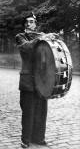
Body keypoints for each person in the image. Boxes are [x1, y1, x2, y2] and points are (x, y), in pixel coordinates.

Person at [15, 12, 48, 148]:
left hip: (42, 79)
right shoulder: (20, 36)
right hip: (27, 80)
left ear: (35, 24)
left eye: (32, 22)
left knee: (41, 110)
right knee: (28, 111)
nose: (29, 24)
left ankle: (39, 138)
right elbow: (26, 48)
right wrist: (42, 39)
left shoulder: (42, 36)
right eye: (27, 22)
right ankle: (25, 139)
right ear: (25, 25)